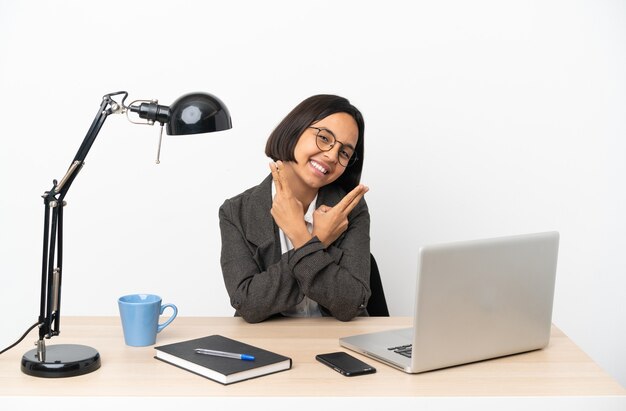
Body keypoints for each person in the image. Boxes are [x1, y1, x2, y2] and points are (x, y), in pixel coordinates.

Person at [219, 94, 371, 323]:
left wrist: (301, 237)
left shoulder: (350, 208)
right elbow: (248, 304)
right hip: (267, 344)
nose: (331, 155)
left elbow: (351, 304)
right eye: (324, 138)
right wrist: (319, 240)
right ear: (295, 130)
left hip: (338, 342)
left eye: (344, 153)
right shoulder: (236, 211)